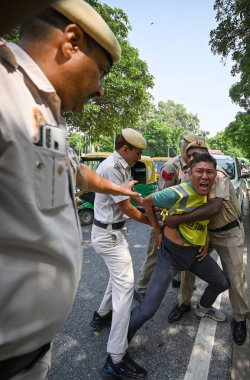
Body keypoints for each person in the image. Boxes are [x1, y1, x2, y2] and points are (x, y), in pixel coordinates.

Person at [0, 1, 130, 379]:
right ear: (70, 41)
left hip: (31, 357)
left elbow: (73, 174)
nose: (101, 91)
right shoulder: (5, 87)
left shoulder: (43, 110)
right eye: (102, 72)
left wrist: (125, 191)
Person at [128, 153, 229, 343]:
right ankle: (117, 351)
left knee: (222, 283)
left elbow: (205, 220)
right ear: (190, 174)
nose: (205, 176)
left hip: (195, 255)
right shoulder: (178, 192)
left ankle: (202, 308)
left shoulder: (212, 195)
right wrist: (158, 231)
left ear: (216, 175)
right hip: (171, 256)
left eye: (210, 172)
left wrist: (206, 239)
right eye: (200, 171)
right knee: (148, 309)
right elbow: (148, 202)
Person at [165, 142, 250, 345]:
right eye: (191, 154)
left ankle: (239, 318)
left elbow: (213, 208)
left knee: (235, 276)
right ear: (187, 158)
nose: (202, 172)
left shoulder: (216, 175)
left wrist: (177, 221)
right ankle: (183, 303)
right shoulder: (186, 177)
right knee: (188, 268)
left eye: (200, 154)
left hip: (228, 231)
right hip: (203, 231)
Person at [90, 128, 151, 380]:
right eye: (137, 152)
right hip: (109, 236)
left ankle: (101, 316)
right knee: (125, 291)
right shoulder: (112, 167)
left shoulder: (123, 165)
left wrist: (149, 204)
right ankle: (116, 358)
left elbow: (128, 197)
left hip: (111, 234)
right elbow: (125, 207)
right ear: (125, 148)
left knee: (117, 280)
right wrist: (153, 222)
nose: (139, 157)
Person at [134, 132, 201, 302]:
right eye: (194, 151)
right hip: (166, 218)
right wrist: (160, 227)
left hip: (183, 220)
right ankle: (141, 288)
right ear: (186, 150)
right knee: (155, 253)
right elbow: (161, 199)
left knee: (184, 251)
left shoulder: (194, 165)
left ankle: (178, 281)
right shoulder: (171, 167)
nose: (197, 155)